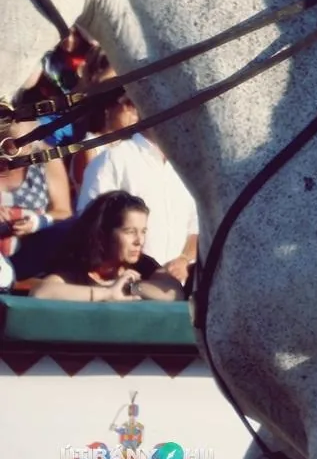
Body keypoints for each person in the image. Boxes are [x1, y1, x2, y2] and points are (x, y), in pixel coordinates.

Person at [74, 93, 198, 284]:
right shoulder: (113, 160)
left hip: (178, 293)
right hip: (124, 291)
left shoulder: (187, 167)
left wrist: (183, 260)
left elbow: (195, 230)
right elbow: (91, 228)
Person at [31, 191, 185, 302]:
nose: (139, 241)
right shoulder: (78, 266)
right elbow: (41, 292)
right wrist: (107, 293)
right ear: (104, 233)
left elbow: (174, 294)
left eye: (143, 232)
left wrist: (129, 286)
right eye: (130, 232)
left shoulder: (143, 265)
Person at [0, 120, 73, 280]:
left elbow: (64, 213)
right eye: (8, 145)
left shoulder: (47, 159)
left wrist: (37, 221)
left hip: (32, 263)